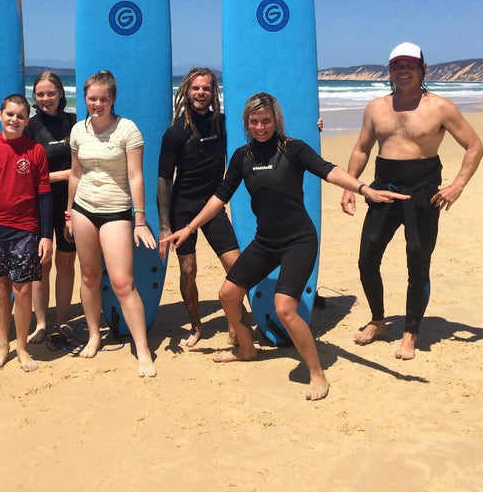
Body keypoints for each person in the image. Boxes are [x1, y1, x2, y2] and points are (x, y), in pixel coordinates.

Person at [163, 92, 408, 400]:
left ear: (275, 120)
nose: (261, 127)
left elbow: (327, 170)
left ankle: (317, 374)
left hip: (298, 240)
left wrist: (363, 189)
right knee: (227, 294)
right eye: (254, 121)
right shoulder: (242, 157)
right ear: (246, 123)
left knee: (285, 308)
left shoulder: (293, 150)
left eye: (266, 120)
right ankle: (247, 349)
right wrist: (189, 227)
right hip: (266, 241)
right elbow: (219, 197)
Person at [340, 42, 483, 360]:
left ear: (422, 69)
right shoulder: (376, 107)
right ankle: (378, 321)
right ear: (389, 71)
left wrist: (458, 185)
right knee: (367, 261)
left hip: (422, 193)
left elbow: (474, 145)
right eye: (396, 66)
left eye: (409, 65)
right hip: (383, 190)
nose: (402, 71)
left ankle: (410, 332)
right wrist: (351, 186)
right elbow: (362, 148)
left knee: (417, 264)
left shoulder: (440, 107)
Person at [65, 70, 158, 377]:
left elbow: (135, 175)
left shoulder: (127, 129)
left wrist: (140, 218)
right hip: (83, 209)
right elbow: (76, 174)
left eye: (104, 98)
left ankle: (142, 349)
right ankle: (93, 336)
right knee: (89, 276)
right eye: (92, 98)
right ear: (85, 99)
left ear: (113, 99)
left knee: (122, 282)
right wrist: (69, 211)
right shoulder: (79, 131)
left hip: (116, 210)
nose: (98, 104)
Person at [0, 94, 53, 372]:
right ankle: (3, 346)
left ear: (27, 120)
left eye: (20, 116)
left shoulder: (35, 151)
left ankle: (22, 348)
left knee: (23, 288)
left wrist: (45, 234)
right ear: (0, 115)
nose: (14, 120)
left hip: (26, 229)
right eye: (10, 114)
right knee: (1, 288)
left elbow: (44, 196)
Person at [157, 67, 240, 347]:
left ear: (213, 92)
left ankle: (233, 322)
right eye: (195, 88)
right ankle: (196, 326)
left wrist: (313, 125)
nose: (201, 93)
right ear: (186, 91)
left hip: (213, 207)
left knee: (236, 266)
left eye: (206, 88)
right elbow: (164, 181)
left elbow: (262, 129)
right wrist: (165, 226)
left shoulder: (223, 125)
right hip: (184, 208)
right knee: (188, 270)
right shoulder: (175, 132)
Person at [23, 71, 77, 343]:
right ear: (34, 97)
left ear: (60, 94)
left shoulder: (74, 123)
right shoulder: (31, 128)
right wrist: (65, 175)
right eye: (40, 94)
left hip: (71, 205)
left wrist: (71, 177)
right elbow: (27, 173)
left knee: (66, 262)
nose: (46, 98)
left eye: (51, 93)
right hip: (40, 204)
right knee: (42, 263)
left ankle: (64, 320)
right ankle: (42, 322)